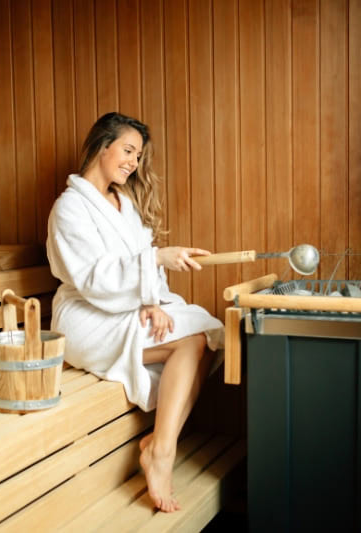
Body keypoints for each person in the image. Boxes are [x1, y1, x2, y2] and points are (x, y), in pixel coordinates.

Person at [46, 112, 224, 513]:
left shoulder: (123, 203)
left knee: (209, 335)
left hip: (126, 308)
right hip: (87, 318)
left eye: (138, 156)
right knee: (190, 342)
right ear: (101, 145)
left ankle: (159, 445)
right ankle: (162, 453)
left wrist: (154, 301)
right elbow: (93, 278)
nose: (133, 162)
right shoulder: (70, 209)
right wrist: (156, 264)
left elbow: (139, 265)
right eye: (128, 150)